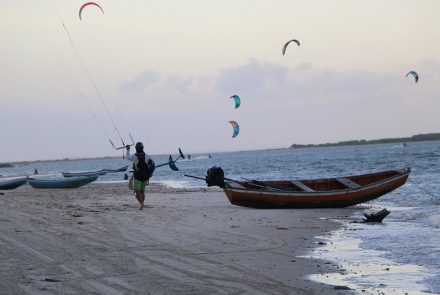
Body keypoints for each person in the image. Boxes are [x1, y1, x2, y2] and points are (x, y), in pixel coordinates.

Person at [126, 142, 155, 210]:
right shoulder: (147, 156)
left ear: (136, 148)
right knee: (142, 191)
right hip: (145, 176)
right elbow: (152, 166)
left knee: (136, 191)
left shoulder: (134, 156)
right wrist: (149, 175)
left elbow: (128, 157)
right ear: (143, 148)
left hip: (138, 176)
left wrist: (128, 149)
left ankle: (141, 203)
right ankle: (142, 203)